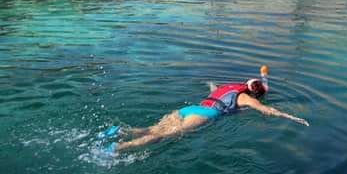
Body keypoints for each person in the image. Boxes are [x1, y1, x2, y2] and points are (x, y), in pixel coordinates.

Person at [108, 66, 309, 154]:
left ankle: (119, 131)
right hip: (205, 114)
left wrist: (209, 82)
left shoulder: (228, 87)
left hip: (191, 108)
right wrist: (292, 117)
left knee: (152, 129)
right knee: (165, 135)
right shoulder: (245, 97)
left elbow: (213, 89)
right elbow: (267, 111)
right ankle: (119, 148)